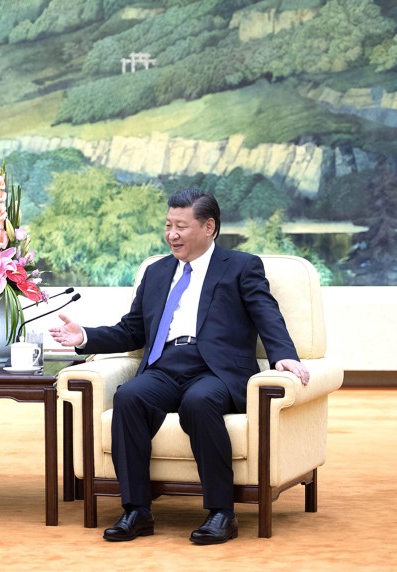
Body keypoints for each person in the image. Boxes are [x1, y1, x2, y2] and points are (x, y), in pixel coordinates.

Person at [49, 189, 309, 545]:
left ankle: (221, 513)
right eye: (168, 225)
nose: (172, 234)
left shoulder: (241, 266)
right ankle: (137, 511)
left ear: (209, 227)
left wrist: (283, 354)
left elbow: (266, 313)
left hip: (214, 370)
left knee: (199, 402)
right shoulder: (157, 272)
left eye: (181, 226)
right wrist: (84, 337)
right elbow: (132, 330)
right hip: (165, 365)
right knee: (129, 397)